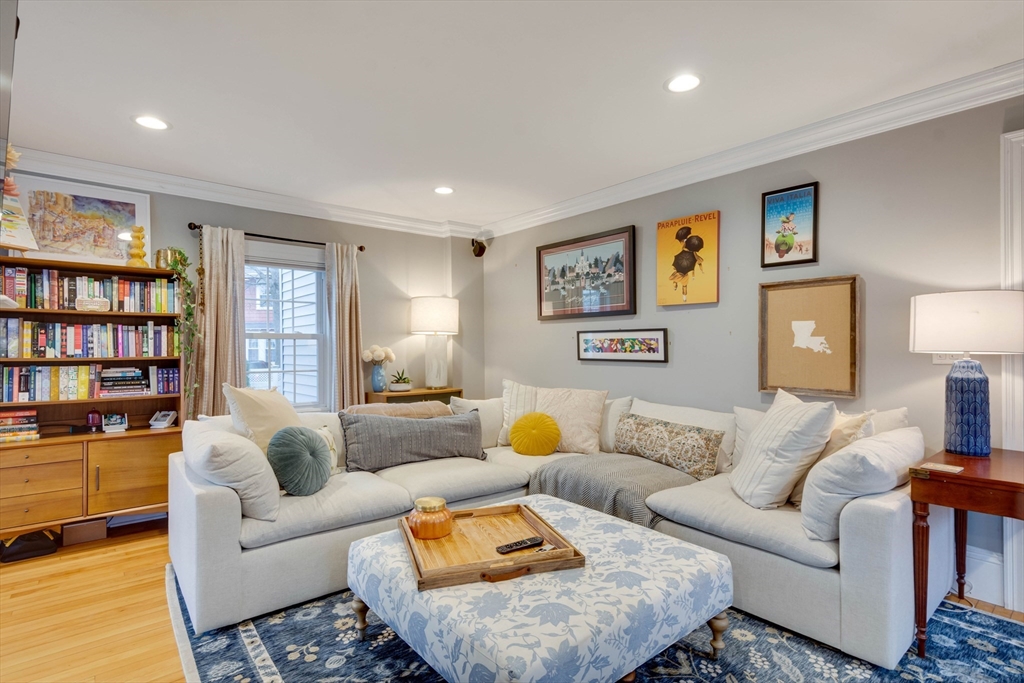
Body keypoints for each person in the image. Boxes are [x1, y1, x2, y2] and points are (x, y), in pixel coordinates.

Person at [669, 227, 705, 302]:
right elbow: (700, 263)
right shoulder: (695, 256)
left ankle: (675, 287)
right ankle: (684, 298)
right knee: (684, 286)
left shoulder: (683, 248)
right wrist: (702, 271)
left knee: (674, 280)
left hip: (678, 270)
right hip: (685, 274)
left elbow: (684, 242)